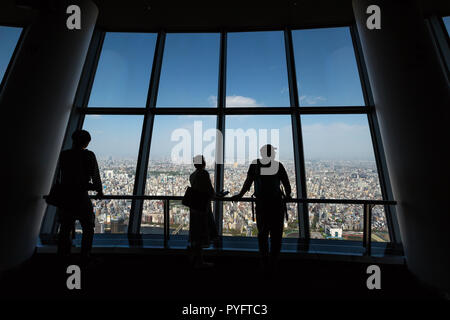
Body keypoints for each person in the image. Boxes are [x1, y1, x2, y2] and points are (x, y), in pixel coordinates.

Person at [231, 144, 291, 271]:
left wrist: (240, 195)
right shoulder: (278, 165)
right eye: (273, 152)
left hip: (262, 205)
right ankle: (273, 262)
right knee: (276, 236)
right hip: (276, 205)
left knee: (262, 235)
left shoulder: (255, 165)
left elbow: (248, 182)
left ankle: (264, 261)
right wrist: (288, 195)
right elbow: (286, 183)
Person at [56, 129, 103, 262]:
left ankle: (63, 255)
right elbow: (95, 175)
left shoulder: (65, 155)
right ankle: (85, 255)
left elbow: (60, 177)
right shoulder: (89, 156)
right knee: (88, 227)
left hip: (66, 197)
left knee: (65, 228)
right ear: (86, 143)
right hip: (81, 196)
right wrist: (98, 190)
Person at [189, 155, 219, 268]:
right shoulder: (204, 173)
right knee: (203, 231)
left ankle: (197, 260)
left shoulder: (192, 175)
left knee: (196, 234)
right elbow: (209, 190)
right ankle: (199, 262)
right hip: (203, 207)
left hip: (194, 207)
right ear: (203, 162)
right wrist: (216, 195)